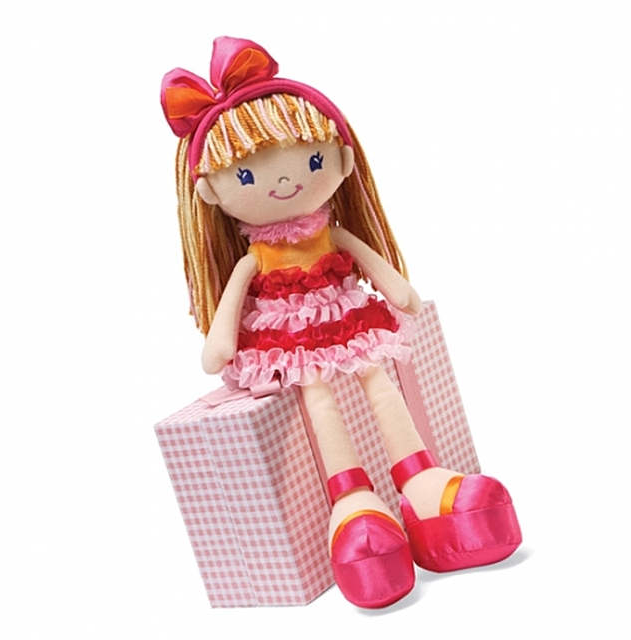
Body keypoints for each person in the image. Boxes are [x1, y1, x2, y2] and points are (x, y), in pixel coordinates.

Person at [161, 36, 521, 609]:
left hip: (350, 315)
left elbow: (381, 272)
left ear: (343, 161)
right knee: (317, 397)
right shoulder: (256, 259)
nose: (286, 185)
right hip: (288, 335)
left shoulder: (333, 235)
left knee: (379, 378)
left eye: (312, 162)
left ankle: (422, 481)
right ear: (208, 192)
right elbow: (231, 304)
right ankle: (352, 500)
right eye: (248, 178)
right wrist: (221, 340)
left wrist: (398, 290)